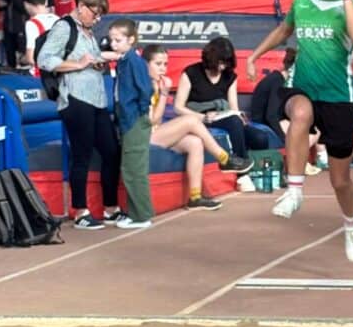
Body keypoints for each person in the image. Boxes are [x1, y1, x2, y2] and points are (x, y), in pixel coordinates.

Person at [246, 0, 353, 262]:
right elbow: (284, 30)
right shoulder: (303, 1)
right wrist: (255, 54)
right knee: (299, 112)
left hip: (338, 99)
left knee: (340, 181)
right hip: (302, 88)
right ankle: (295, 190)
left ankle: (352, 223)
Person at [37, 0, 123, 230]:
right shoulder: (64, 27)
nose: (97, 19)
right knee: (82, 156)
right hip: (75, 100)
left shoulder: (87, 30)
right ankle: (80, 211)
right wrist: (78, 65)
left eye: (100, 15)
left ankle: (110, 208)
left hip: (96, 99)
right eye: (94, 13)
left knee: (111, 151)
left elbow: (86, 58)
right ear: (81, 6)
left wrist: (95, 62)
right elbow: (45, 60)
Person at [143, 45, 251, 210]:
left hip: (156, 133)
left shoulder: (157, 83)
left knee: (195, 143)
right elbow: (152, 120)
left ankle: (195, 197)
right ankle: (224, 159)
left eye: (165, 64)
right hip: (142, 135)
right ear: (145, 64)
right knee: (191, 121)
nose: (163, 69)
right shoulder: (143, 85)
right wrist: (165, 94)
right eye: (158, 64)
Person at [175, 37, 261, 160]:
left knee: (260, 137)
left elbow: (233, 107)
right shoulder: (191, 73)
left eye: (226, 63)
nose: (222, 67)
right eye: (220, 62)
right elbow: (178, 107)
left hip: (224, 116)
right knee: (234, 122)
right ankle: (241, 165)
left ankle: (259, 170)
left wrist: (240, 115)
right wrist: (203, 118)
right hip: (201, 117)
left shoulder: (230, 76)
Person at [105, 19, 154, 229]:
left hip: (134, 119)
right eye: (111, 40)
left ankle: (141, 216)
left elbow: (145, 89)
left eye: (118, 40)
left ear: (131, 40)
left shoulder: (134, 61)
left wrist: (140, 112)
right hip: (127, 118)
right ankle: (136, 213)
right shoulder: (125, 60)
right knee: (130, 168)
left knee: (134, 168)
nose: (113, 44)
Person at [22, 0, 59, 72]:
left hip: (39, 75)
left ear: (28, 4)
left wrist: (23, 59)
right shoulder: (57, 19)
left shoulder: (31, 24)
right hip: (57, 72)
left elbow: (30, 59)